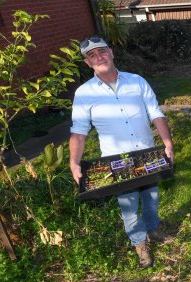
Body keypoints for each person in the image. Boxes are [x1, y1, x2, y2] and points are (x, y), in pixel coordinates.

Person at [69, 36, 174, 268]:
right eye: (92, 56)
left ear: (111, 52)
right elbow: (79, 132)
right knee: (128, 205)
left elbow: (156, 113)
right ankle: (139, 243)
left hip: (148, 155)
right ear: (88, 63)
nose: (99, 57)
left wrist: (167, 142)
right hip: (118, 161)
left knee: (152, 198)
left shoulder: (137, 81)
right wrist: (74, 162)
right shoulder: (84, 94)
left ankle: (153, 228)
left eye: (102, 52)